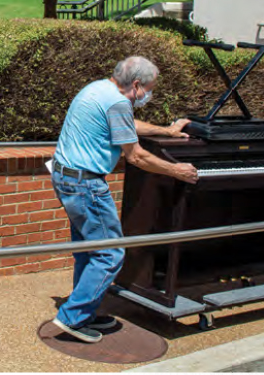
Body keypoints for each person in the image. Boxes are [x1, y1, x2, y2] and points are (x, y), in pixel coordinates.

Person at [51, 56, 198, 342]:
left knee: (89, 250)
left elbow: (127, 124)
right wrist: (176, 170)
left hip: (66, 177)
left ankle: (86, 311)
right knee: (110, 253)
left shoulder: (96, 89)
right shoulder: (117, 102)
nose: (148, 95)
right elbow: (136, 155)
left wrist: (166, 130)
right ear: (136, 84)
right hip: (86, 185)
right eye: (149, 89)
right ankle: (72, 318)